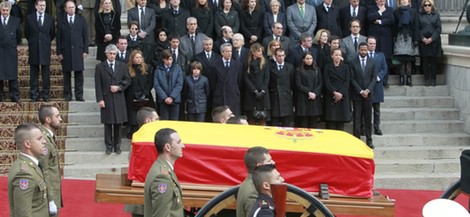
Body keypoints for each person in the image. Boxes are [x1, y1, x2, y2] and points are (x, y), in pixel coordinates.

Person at [95, 44, 131, 154]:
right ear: (106, 54)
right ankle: (109, 146)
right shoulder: (100, 67)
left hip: (119, 98)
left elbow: (128, 80)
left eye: (114, 54)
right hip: (107, 98)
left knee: (118, 123)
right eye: (110, 53)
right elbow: (98, 84)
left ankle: (117, 145)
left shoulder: (122, 66)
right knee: (108, 123)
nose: (112, 56)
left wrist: (119, 87)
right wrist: (100, 99)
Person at [124, 106, 159, 217]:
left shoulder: (138, 140)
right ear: (148, 121)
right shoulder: (141, 142)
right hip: (144, 193)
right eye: (157, 119)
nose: (159, 122)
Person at [8, 124, 49, 216]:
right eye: (39, 139)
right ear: (27, 144)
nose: (44, 141)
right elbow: (23, 214)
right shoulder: (24, 173)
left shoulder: (32, 165)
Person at [144, 128, 185, 217]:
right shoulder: (161, 177)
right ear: (167, 147)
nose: (183, 146)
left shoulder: (164, 169)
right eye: (178, 142)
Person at [57, 0, 89, 102]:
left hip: (78, 50)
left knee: (79, 74)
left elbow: (85, 36)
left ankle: (79, 95)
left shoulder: (81, 20)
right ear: (65, 9)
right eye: (69, 7)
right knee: (66, 74)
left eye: (73, 7)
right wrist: (59, 52)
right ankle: (68, 95)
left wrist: (85, 50)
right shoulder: (61, 21)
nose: (71, 9)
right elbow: (59, 38)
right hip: (65, 51)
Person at [25, 0, 55, 102]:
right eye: (40, 5)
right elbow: (27, 33)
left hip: (45, 49)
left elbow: (52, 34)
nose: (42, 7)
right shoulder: (29, 18)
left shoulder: (50, 18)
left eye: (44, 5)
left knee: (45, 74)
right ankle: (34, 94)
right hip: (34, 48)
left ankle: (45, 95)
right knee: (34, 73)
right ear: (36, 6)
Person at [350, 42, 376, 148]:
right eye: (362, 50)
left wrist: (368, 90)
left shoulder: (372, 62)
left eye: (365, 50)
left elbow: (374, 78)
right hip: (357, 95)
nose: (363, 52)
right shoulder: (352, 62)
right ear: (359, 50)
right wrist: (360, 91)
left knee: (368, 118)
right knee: (357, 118)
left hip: (368, 95)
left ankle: (369, 140)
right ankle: (356, 139)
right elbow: (352, 78)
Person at [236, 146, 275, 217]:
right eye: (269, 161)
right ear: (260, 166)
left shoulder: (248, 183)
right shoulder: (254, 192)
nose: (273, 162)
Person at [125, 50, 155, 137]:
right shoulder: (128, 69)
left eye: (140, 57)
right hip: (132, 97)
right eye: (136, 58)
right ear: (132, 59)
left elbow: (150, 82)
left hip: (145, 97)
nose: (138, 59)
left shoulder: (147, 68)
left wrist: (145, 92)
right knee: (134, 119)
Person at [210, 43, 243, 115]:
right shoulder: (214, 65)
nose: (229, 53)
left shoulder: (238, 65)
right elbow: (213, 83)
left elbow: (239, 82)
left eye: (230, 51)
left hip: (233, 97)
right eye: (227, 51)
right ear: (222, 53)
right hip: (220, 97)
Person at [323, 48, 351, 130]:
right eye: (336, 55)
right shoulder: (327, 67)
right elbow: (326, 81)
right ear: (332, 56)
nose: (338, 57)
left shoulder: (346, 67)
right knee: (331, 122)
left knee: (340, 123)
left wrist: (341, 93)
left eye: (339, 55)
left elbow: (347, 81)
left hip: (342, 96)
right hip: (331, 95)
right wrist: (334, 92)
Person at [393, 0, 419, 86]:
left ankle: (409, 78)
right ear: (400, 2)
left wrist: (416, 39)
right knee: (401, 60)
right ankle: (401, 78)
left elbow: (416, 26)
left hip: (410, 37)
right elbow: (394, 25)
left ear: (409, 2)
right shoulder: (396, 11)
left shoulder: (414, 11)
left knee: (409, 60)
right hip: (400, 37)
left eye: (406, 0)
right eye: (402, 0)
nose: (404, 1)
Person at [244, 43, 270, 125]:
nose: (260, 53)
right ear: (253, 52)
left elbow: (267, 78)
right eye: (258, 51)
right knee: (251, 119)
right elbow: (246, 78)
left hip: (263, 94)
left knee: (263, 120)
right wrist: (254, 91)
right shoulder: (247, 63)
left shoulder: (265, 62)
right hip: (251, 94)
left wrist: (262, 91)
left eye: (261, 51)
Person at [0, 1, 21, 103]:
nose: (5, 12)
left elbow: (19, 36)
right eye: (3, 10)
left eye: (7, 10)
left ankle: (14, 95)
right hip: (0, 51)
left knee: (12, 74)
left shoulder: (15, 21)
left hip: (11, 50)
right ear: (0, 10)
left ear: (10, 10)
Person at [367, 0, 394, 80]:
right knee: (374, 58)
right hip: (375, 38)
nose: (382, 1)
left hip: (386, 38)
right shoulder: (371, 8)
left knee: (386, 59)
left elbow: (391, 20)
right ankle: (373, 78)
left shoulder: (390, 9)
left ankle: (385, 80)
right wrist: (379, 12)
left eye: (383, 0)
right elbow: (370, 18)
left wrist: (379, 21)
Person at [154, 49, 184, 120]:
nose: (169, 61)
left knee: (174, 121)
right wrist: (165, 97)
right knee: (165, 121)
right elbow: (157, 85)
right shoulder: (158, 70)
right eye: (167, 59)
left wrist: (172, 97)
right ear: (163, 59)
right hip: (163, 100)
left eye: (170, 59)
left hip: (175, 100)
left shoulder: (177, 69)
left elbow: (179, 84)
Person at [295, 52, 323, 128]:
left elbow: (320, 83)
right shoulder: (299, 70)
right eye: (307, 58)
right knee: (304, 122)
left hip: (314, 99)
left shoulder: (317, 70)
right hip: (304, 99)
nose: (309, 60)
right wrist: (308, 92)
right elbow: (298, 84)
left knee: (313, 122)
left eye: (311, 58)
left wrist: (315, 93)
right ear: (303, 60)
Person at [269, 48, 294, 127]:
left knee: (286, 123)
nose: (281, 57)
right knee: (274, 123)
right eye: (279, 56)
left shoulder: (290, 67)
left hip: (286, 98)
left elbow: (292, 83)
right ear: (275, 56)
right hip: (274, 97)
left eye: (283, 55)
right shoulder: (270, 67)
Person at [418, 0, 441, 86]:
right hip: (423, 42)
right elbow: (418, 28)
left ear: (432, 6)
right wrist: (422, 38)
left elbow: (438, 29)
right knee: (425, 61)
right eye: (425, 5)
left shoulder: (436, 15)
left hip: (434, 42)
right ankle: (427, 79)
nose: (427, 7)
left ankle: (433, 79)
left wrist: (432, 38)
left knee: (433, 61)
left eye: (429, 5)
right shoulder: (419, 16)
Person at [368, 36, 387, 136]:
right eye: (370, 43)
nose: (372, 45)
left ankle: (377, 127)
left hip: (377, 86)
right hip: (367, 85)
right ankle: (365, 127)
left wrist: (378, 77)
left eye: (373, 44)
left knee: (376, 110)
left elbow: (384, 68)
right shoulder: (363, 55)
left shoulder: (380, 55)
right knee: (366, 110)